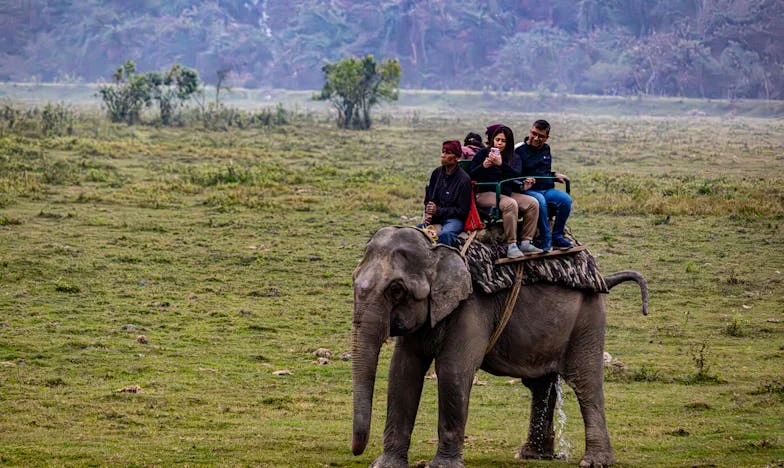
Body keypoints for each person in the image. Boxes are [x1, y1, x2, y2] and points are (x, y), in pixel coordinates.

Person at [469, 125, 542, 258]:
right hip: (485, 193)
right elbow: (471, 175)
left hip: (506, 192)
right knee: (510, 204)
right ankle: (512, 245)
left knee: (533, 203)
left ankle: (526, 242)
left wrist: (501, 164)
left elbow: (515, 175)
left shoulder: (513, 157)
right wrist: (483, 166)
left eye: (503, 141)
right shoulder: (482, 154)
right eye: (497, 139)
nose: (500, 143)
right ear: (492, 140)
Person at [515, 119, 573, 251]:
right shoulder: (519, 150)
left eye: (541, 136)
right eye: (534, 133)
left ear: (546, 138)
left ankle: (557, 235)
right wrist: (523, 182)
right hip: (528, 190)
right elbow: (512, 173)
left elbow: (543, 171)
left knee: (565, 200)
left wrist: (554, 175)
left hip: (546, 188)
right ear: (530, 131)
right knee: (539, 201)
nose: (536, 138)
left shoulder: (546, 149)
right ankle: (545, 238)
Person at [418, 140, 472, 247]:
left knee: (445, 235)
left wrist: (438, 210)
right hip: (436, 217)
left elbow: (462, 210)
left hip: (454, 219)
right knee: (415, 232)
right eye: (443, 152)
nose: (443, 155)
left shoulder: (464, 179)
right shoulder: (436, 173)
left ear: (456, 157)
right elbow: (429, 198)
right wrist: (428, 212)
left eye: (447, 153)